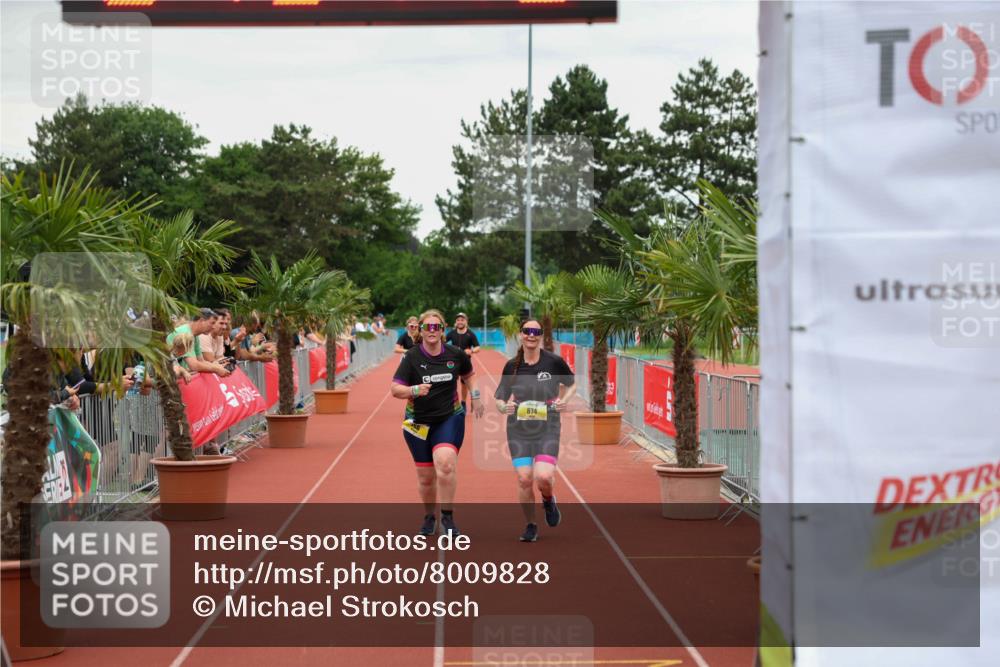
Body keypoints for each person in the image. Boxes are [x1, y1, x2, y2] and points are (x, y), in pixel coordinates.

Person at [391, 309, 485, 537]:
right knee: (425, 478)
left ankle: (447, 517)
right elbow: (395, 389)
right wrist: (414, 389)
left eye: (436, 327)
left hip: (448, 417)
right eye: (427, 327)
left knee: (445, 463)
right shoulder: (412, 357)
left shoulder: (455, 354)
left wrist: (476, 396)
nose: (431, 331)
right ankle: (429, 516)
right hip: (418, 422)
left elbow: (469, 374)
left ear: (443, 330)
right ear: (420, 330)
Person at [494, 319, 575, 542]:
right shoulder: (512, 366)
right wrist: (504, 407)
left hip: (548, 426)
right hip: (518, 429)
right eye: (527, 331)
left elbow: (572, 384)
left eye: (536, 332)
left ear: (540, 335)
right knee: (524, 478)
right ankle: (530, 524)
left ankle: (548, 500)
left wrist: (563, 400)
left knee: (544, 476)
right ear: (521, 335)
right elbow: (500, 397)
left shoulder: (554, 362)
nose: (532, 335)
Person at [445, 312, 481, 410]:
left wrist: (471, 351)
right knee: (450, 382)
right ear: (456, 322)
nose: (460, 322)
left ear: (466, 321)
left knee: (465, 384)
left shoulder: (470, 333)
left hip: (465, 363)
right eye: (458, 320)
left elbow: (478, 347)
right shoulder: (452, 333)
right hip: (453, 363)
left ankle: (464, 402)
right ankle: (451, 403)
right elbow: (442, 343)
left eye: (462, 320)